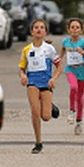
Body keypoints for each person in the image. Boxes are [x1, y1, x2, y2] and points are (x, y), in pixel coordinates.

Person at [19, 18, 62, 153]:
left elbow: (59, 66)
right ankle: (38, 142)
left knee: (46, 117)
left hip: (46, 82)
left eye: (42, 27)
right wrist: (23, 76)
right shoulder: (26, 50)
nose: (39, 29)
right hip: (32, 82)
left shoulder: (49, 49)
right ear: (32, 31)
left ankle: (49, 105)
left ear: (45, 32)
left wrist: (54, 78)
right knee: (35, 111)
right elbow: (21, 68)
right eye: (36, 27)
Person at [61, 18, 84, 135]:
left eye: (77, 27)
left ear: (81, 30)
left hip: (82, 71)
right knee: (73, 87)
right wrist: (56, 62)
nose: (75, 30)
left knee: (80, 97)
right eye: (72, 27)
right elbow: (61, 55)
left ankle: (79, 121)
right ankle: (71, 111)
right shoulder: (65, 42)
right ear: (68, 30)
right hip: (70, 69)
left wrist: (83, 52)